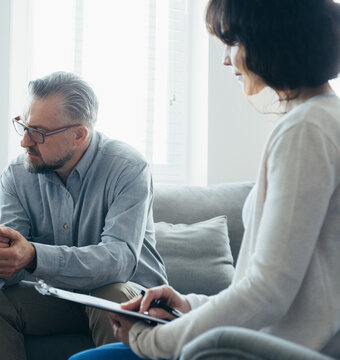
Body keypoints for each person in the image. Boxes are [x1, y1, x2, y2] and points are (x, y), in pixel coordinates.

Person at [70, 0, 340, 359]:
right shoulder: (323, 119)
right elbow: (286, 284)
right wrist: (189, 305)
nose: (227, 60)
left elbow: (268, 293)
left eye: (233, 43)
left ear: (269, 41)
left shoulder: (305, 130)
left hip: (273, 349)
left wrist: (151, 341)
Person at [0, 71, 168, 360]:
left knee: (110, 294)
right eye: (23, 126)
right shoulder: (17, 174)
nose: (25, 142)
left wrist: (33, 256)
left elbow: (119, 261)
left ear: (78, 135)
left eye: (38, 132)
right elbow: (4, 265)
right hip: (58, 298)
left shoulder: (128, 168)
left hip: (124, 297)